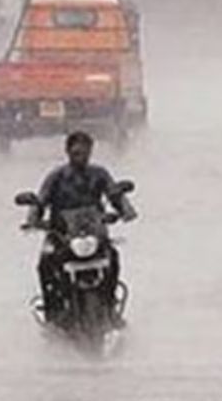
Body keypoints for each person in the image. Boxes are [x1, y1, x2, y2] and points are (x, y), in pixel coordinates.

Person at [23, 131, 137, 326]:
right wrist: (33, 219)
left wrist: (125, 210)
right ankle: (53, 311)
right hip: (61, 234)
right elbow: (40, 200)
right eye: (76, 152)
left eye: (84, 152)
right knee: (45, 264)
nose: (80, 156)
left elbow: (114, 194)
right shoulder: (56, 177)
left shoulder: (99, 174)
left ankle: (110, 307)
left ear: (91, 152)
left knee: (113, 256)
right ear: (68, 152)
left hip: (93, 232)